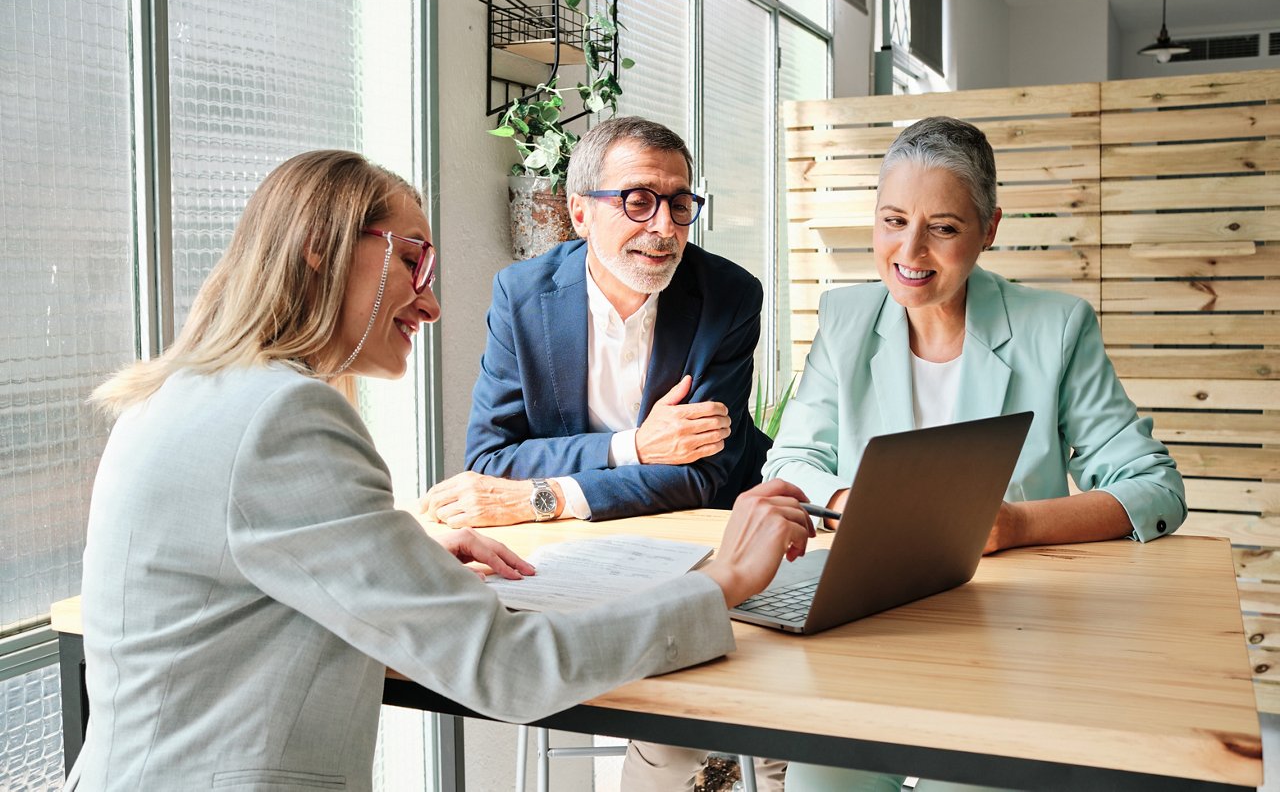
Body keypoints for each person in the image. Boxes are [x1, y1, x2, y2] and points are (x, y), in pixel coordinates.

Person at [70, 150, 815, 791]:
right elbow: (505, 668)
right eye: (411, 259)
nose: (429, 303)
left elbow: (240, 565)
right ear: (317, 248)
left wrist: (399, 556)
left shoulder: (183, 393)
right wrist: (719, 586)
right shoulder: (284, 418)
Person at [763, 116, 1187, 792]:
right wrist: (850, 502)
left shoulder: (1056, 327)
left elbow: (1153, 488)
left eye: (944, 228)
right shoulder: (845, 321)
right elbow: (789, 460)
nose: (910, 249)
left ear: (989, 230)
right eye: (893, 220)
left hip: (1007, 637)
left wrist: (1018, 525)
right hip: (868, 625)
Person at [420, 116, 784, 789]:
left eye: (680, 203)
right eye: (638, 200)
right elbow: (492, 458)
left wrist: (549, 490)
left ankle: (738, 765)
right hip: (581, 553)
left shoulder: (728, 297)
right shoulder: (522, 295)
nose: (667, 227)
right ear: (580, 212)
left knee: (724, 716)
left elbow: (702, 478)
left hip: (706, 543)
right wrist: (633, 446)